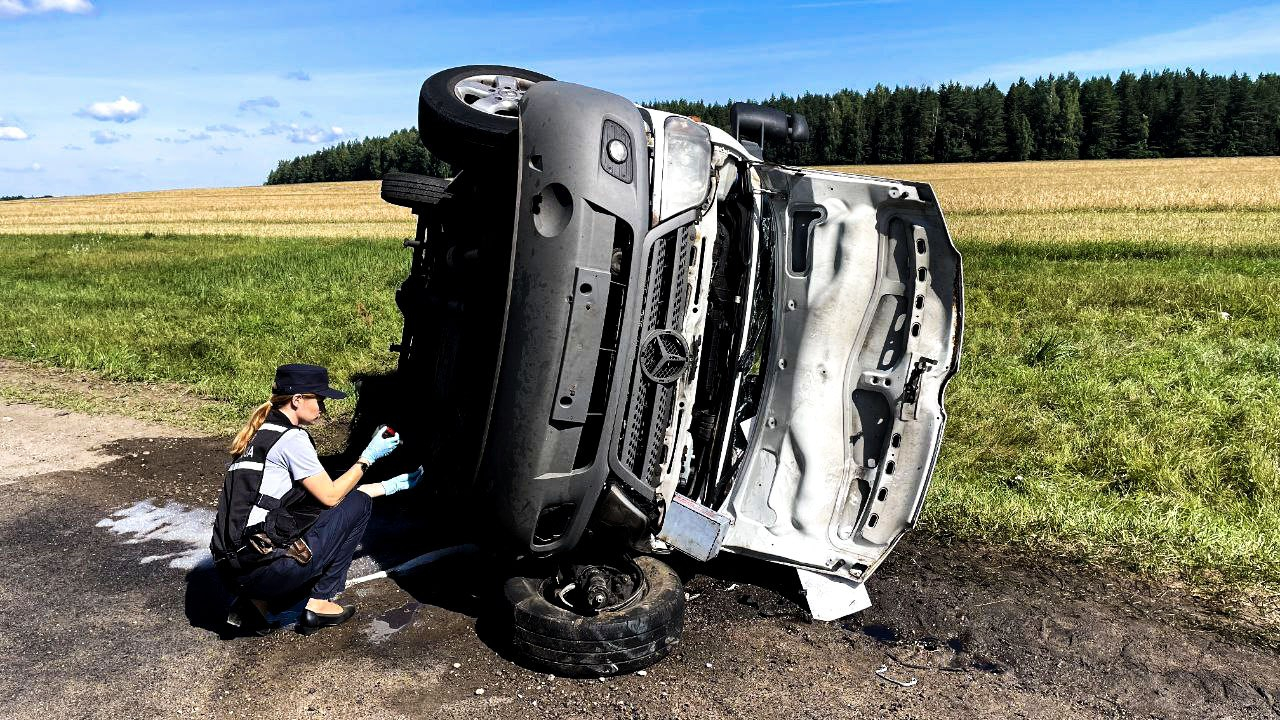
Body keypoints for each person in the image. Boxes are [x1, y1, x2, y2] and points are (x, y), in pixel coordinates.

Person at [209, 363, 423, 635]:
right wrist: (368, 457)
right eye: (319, 399)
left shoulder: (260, 436)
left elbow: (322, 499)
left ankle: (256, 603)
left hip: (231, 570)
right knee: (359, 505)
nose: (323, 407)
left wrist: (389, 486)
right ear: (297, 400)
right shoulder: (293, 439)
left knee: (341, 505)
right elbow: (334, 497)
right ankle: (320, 601)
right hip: (264, 572)